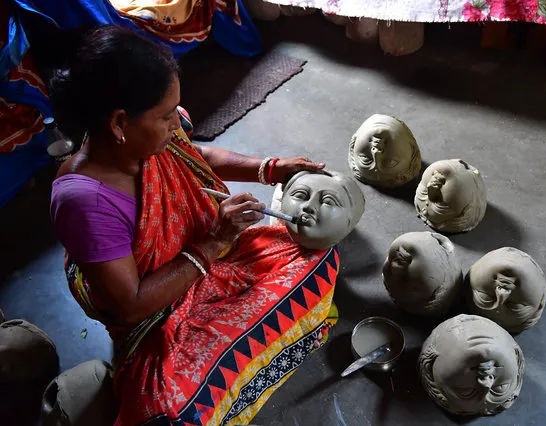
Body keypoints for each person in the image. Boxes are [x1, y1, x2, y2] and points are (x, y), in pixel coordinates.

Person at [49, 26, 339, 425]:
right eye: (166, 116)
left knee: (318, 255)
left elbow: (193, 151)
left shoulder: (154, 136)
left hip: (210, 256)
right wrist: (215, 243)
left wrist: (268, 168)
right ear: (119, 123)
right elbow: (130, 305)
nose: (176, 124)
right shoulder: (87, 203)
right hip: (158, 318)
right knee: (174, 413)